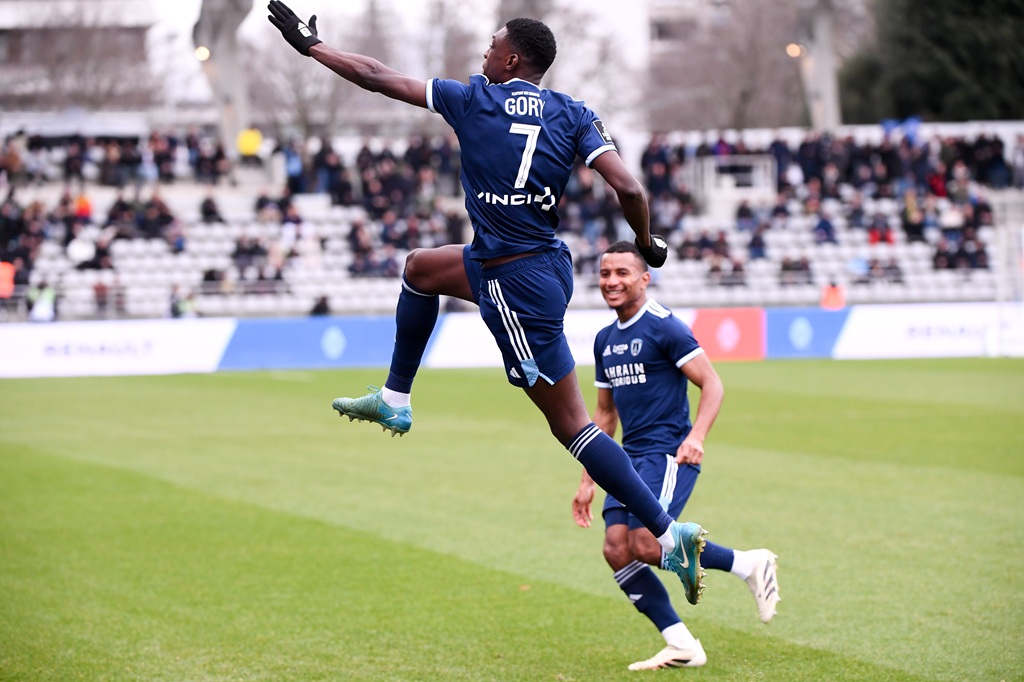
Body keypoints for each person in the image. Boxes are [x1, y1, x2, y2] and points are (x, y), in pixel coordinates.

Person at [267, 1, 707, 603]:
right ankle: (396, 396)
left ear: (512, 57)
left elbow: (375, 73)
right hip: (540, 264)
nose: (483, 53)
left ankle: (667, 532)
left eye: (490, 45)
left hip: (511, 281)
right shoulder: (575, 113)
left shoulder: (473, 98)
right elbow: (628, 186)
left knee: (572, 425)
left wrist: (312, 48)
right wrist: (649, 241)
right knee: (420, 269)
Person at [572, 241, 780, 670]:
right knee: (616, 549)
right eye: (605, 273)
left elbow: (713, 383)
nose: (611, 281)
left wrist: (697, 436)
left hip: (667, 453)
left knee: (646, 544)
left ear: (644, 279)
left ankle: (748, 564)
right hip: (625, 461)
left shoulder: (664, 326)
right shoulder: (605, 340)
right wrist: (587, 479)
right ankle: (681, 643)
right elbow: (605, 413)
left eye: (622, 273)